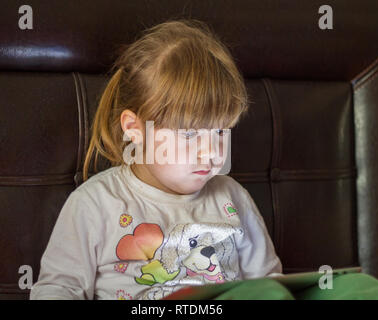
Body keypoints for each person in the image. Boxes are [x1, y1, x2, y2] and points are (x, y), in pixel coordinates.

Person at [29, 19, 282, 300]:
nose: (211, 152)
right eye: (189, 134)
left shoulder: (233, 199)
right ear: (135, 129)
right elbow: (58, 291)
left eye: (220, 131)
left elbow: (269, 284)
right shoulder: (94, 205)